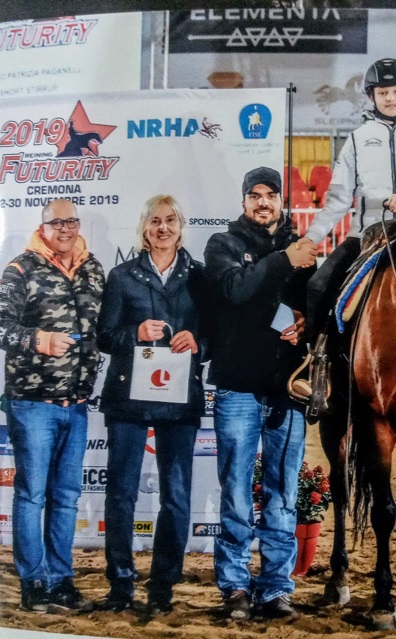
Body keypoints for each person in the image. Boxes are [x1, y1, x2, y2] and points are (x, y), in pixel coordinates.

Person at [290, 57, 396, 401]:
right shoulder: (357, 139)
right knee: (318, 286)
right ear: (371, 96)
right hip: (367, 236)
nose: (390, 98)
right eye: (383, 92)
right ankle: (317, 364)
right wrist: (310, 238)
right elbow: (337, 199)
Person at [203, 166, 316, 620]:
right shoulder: (222, 244)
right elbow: (236, 291)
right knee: (235, 491)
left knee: (283, 494)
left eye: (271, 194)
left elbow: (314, 306)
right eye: (256, 195)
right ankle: (234, 587)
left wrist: (306, 324)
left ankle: (275, 589)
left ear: (282, 200)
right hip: (237, 386)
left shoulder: (302, 247)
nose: (263, 202)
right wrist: (286, 258)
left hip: (288, 390)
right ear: (244, 200)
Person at [97, 196, 208, 614]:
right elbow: (104, 336)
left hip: (179, 401)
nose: (163, 228)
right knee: (121, 495)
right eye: (156, 221)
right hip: (128, 399)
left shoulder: (200, 276)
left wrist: (198, 343)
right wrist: (135, 333)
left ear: (181, 227)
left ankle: (162, 587)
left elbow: (217, 336)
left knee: (176, 497)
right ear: (145, 227)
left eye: (171, 220)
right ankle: (120, 584)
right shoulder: (122, 276)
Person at [0, 199, 105, 612]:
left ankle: (61, 580)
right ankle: (34, 583)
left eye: (71, 221)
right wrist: (39, 340)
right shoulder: (21, 269)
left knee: (66, 498)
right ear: (42, 227)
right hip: (32, 404)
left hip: (76, 404)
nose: (64, 228)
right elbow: (1, 325)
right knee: (31, 496)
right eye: (56, 222)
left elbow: (105, 326)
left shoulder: (93, 269)